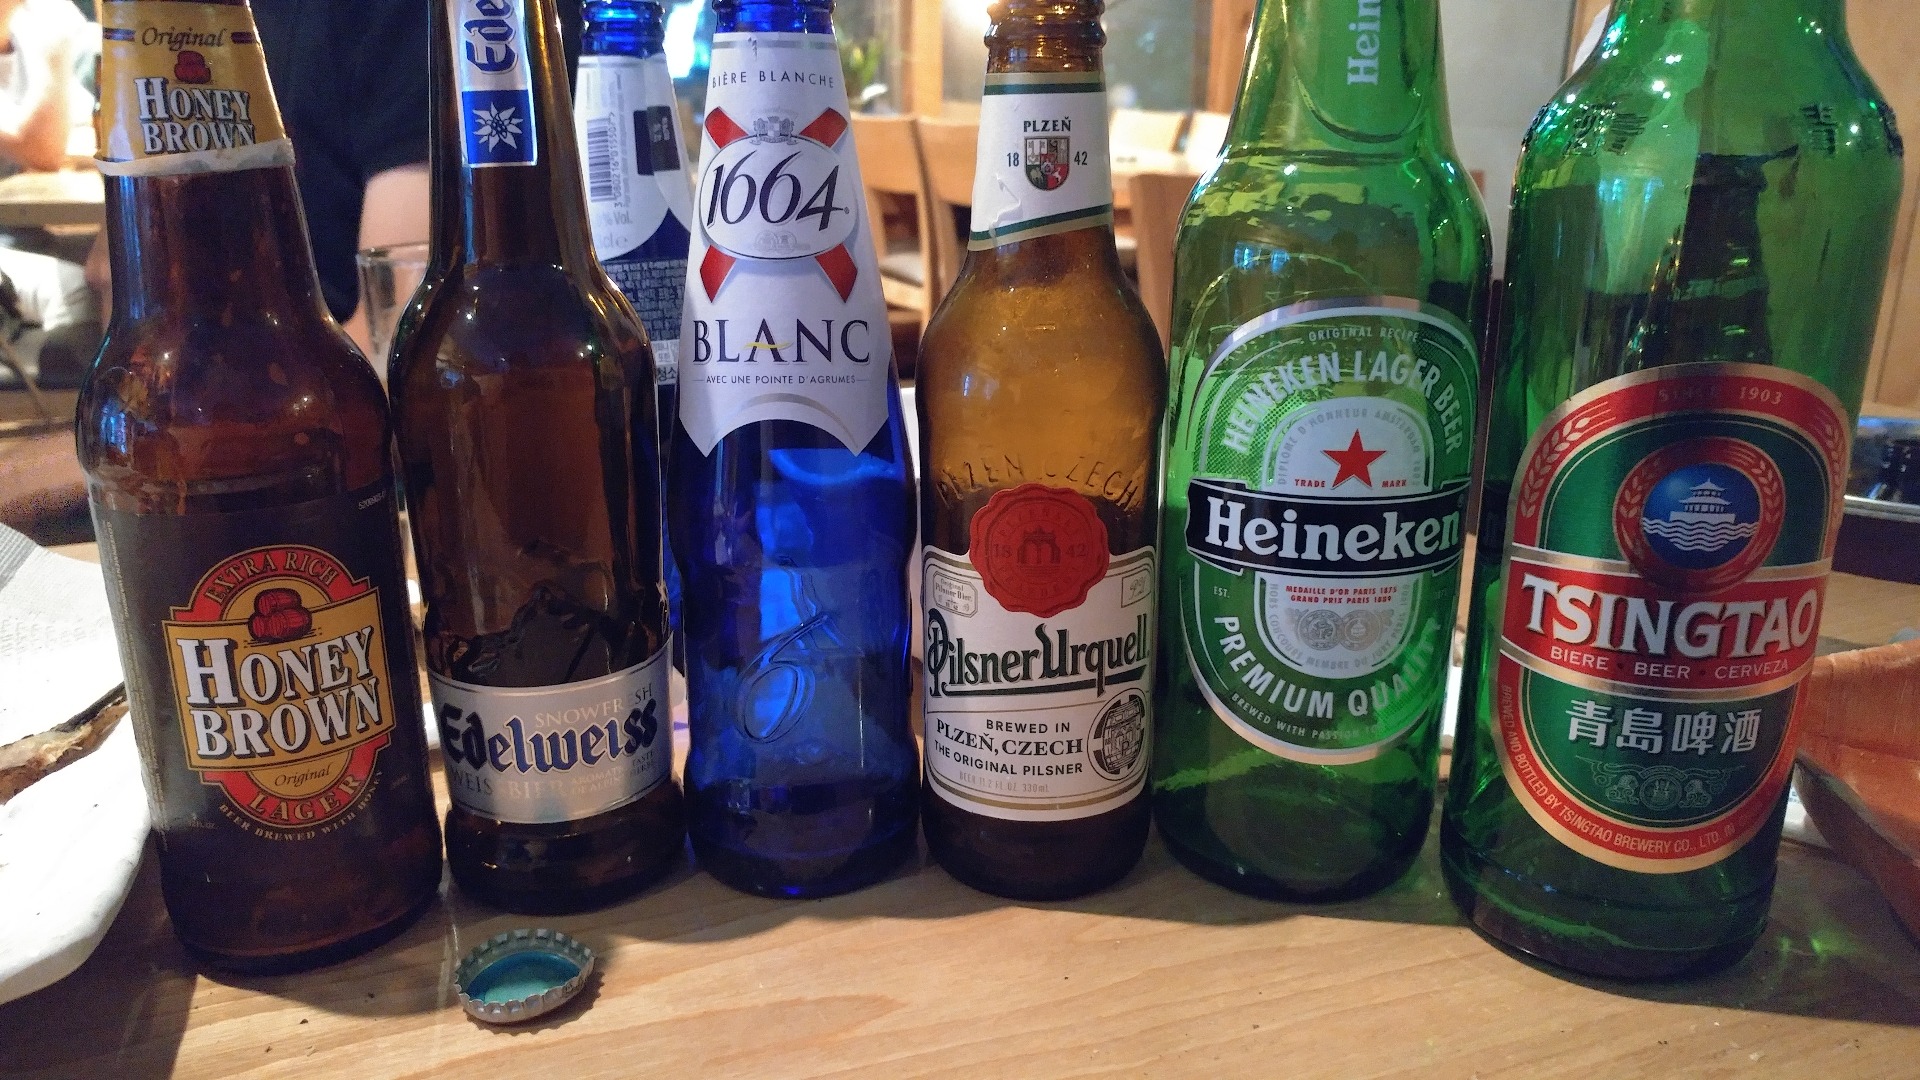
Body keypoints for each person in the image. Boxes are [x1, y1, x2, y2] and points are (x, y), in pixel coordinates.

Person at [0, 0, 94, 389]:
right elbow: (41, 147)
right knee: (88, 287)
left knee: (114, 264)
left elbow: (84, 115)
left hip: (22, 229)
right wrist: (54, 60)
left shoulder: (41, 14)